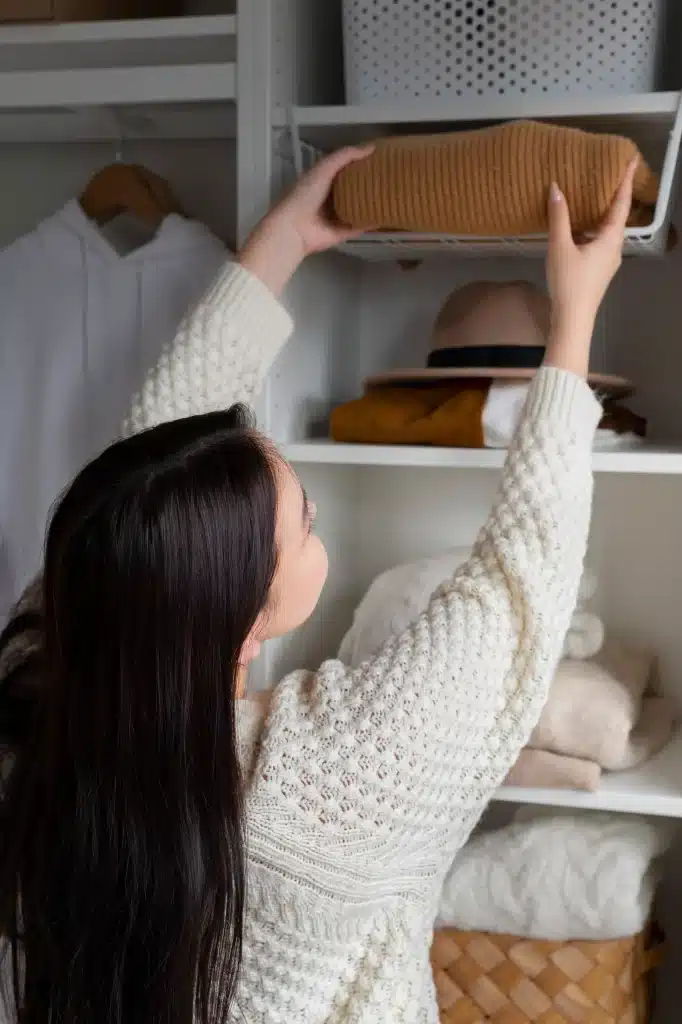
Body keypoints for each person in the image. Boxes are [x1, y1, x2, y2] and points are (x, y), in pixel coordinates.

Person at [0, 148, 637, 1024]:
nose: (314, 518)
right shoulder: (325, 778)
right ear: (241, 604)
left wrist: (285, 240)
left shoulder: (45, 685)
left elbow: (154, 472)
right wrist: (576, 323)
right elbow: (516, 589)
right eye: (303, 519)